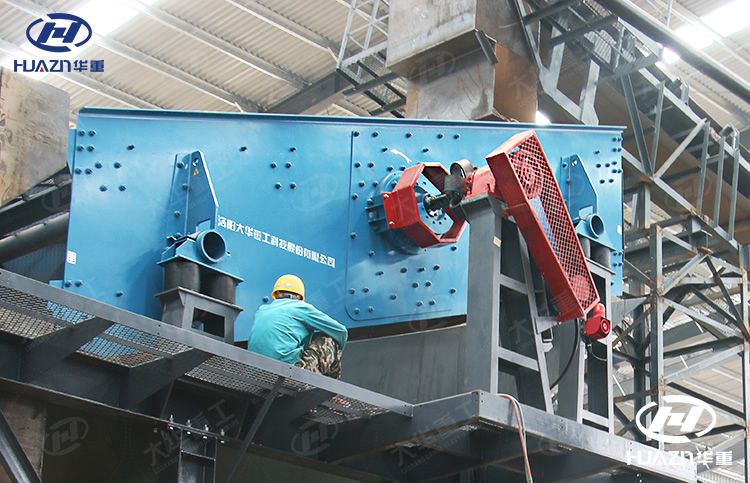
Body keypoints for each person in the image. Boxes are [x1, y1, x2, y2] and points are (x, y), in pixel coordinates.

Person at [248, 274, 348, 378]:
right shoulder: (301, 307)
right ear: (299, 297)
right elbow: (341, 332)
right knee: (329, 340)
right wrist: (336, 354)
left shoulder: (262, 310)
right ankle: (331, 384)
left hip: (255, 373)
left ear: (276, 294)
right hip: (287, 373)